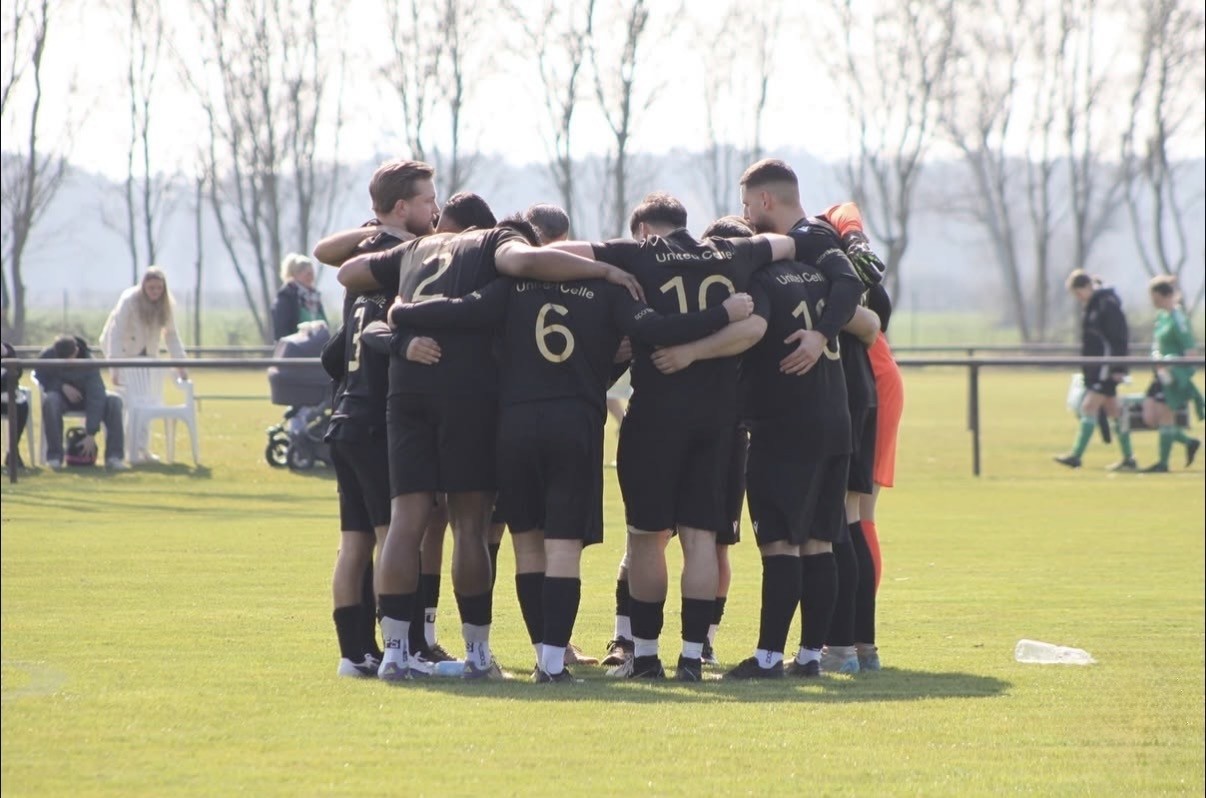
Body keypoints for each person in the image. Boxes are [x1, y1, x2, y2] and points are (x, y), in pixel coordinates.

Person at [390, 216, 755, 682]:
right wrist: (722, 314)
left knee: (527, 546)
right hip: (577, 424)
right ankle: (561, 663)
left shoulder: (509, 287)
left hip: (516, 424)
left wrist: (402, 316)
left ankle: (546, 655)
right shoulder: (607, 289)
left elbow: (463, 311)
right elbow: (653, 329)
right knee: (564, 549)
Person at [339, 186, 642, 681]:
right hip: (466, 392)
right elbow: (523, 263)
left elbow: (349, 272)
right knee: (470, 523)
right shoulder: (492, 245)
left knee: (406, 519)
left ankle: (394, 652)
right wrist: (603, 268)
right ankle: (477, 654)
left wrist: (401, 310)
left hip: (406, 391)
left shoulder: (416, 247)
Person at [547, 192, 798, 681]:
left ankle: (643, 657)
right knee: (701, 538)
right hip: (720, 420)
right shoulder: (733, 252)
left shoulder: (639, 253)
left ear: (644, 231)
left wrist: (607, 269)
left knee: (646, 537)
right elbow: (785, 245)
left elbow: (565, 254)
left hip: (657, 416)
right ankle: (691, 658)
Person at [735, 159, 876, 675]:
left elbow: (852, 288)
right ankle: (813, 656)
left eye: (748, 205)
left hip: (787, 421)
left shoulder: (805, 243)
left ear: (766, 201)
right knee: (820, 540)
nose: (746, 216)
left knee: (780, 540)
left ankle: (770, 657)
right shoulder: (813, 264)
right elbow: (861, 307)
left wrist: (818, 335)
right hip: (833, 414)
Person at [98, 266, 189, 463]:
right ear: (143, 287)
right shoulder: (129, 300)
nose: (155, 292)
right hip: (122, 351)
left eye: (159, 288)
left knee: (147, 399)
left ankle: (141, 449)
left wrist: (181, 365)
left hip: (148, 356)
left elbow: (172, 336)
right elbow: (116, 333)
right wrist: (115, 367)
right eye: (151, 288)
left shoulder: (166, 305)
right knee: (127, 403)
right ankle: (122, 449)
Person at [1054, 270, 1135, 471]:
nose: (1078, 299)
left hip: (1106, 367)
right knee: (1114, 411)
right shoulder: (1094, 305)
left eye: (1077, 293)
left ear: (1085, 287)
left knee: (1088, 407)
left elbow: (1119, 337)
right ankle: (1129, 458)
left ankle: (1076, 456)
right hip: (1098, 368)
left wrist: (1119, 367)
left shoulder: (1106, 304)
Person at [33, 335, 127, 471]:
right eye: (61, 361)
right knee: (50, 401)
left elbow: (96, 396)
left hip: (87, 400)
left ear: (76, 351)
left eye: (68, 360)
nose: (65, 363)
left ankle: (114, 457)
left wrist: (90, 433)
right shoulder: (47, 356)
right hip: (61, 399)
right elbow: (39, 375)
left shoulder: (89, 363)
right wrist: (61, 386)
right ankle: (54, 457)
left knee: (114, 401)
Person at [1140, 276, 1202, 473]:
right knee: (1149, 417)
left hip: (1173, 374)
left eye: (1156, 298)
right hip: (1160, 372)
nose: (1153, 302)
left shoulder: (1179, 319)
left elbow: (1191, 351)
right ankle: (1189, 441)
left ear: (1165, 296)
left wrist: (1179, 373)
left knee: (1165, 416)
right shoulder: (1162, 317)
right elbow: (1158, 345)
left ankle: (1163, 463)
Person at [272, 253, 328, 340]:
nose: (311, 277)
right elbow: (281, 330)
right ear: (296, 274)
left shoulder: (315, 296)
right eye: (308, 274)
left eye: (312, 273)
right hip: (296, 349)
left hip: (316, 347)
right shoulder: (286, 296)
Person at [1, 340, 30, 469]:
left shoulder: (7, 349)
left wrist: (6, 354)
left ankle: (12, 452)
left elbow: (17, 373)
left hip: (6, 399)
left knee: (22, 407)